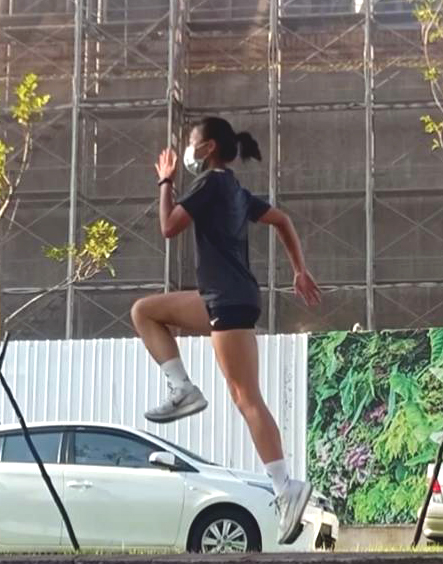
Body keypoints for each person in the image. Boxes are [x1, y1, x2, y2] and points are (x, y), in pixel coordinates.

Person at [130, 116, 322, 545]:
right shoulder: (234, 189)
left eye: (191, 142)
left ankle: (285, 487)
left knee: (246, 397)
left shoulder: (210, 184)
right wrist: (299, 269)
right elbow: (282, 220)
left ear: (209, 147)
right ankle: (183, 389)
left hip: (226, 300)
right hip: (226, 297)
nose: (187, 149)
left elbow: (168, 227)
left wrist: (165, 182)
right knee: (145, 311)